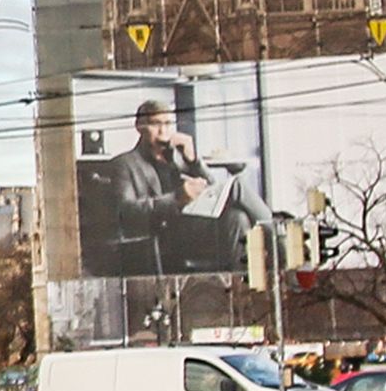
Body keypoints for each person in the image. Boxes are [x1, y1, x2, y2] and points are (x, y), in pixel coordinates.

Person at [103, 100, 273, 272]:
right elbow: (125, 212)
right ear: (139, 126)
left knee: (237, 217)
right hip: (163, 235)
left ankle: (241, 286)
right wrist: (177, 199)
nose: (163, 131)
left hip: (193, 227)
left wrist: (194, 161)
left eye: (168, 124)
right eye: (156, 124)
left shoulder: (178, 158)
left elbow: (215, 193)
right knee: (237, 187)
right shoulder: (124, 164)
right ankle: (278, 241)